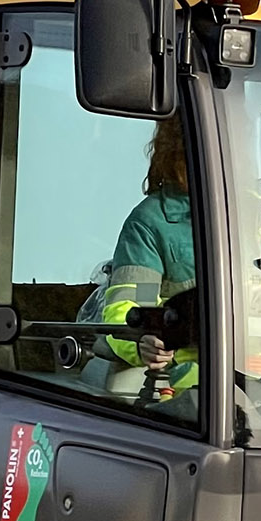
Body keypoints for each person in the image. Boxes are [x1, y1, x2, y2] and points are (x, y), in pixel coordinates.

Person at [86, 115, 201, 400]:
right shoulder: (152, 223)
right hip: (201, 386)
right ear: (180, 148)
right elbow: (135, 304)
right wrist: (143, 342)